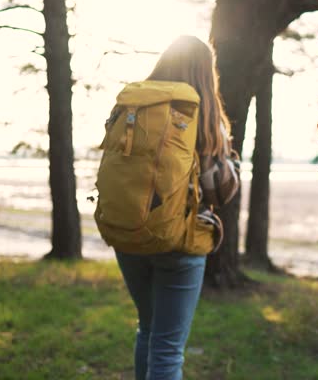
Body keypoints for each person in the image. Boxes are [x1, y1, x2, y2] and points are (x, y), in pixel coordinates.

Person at [96, 35, 238, 380]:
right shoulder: (203, 115)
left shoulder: (134, 105)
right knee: (168, 348)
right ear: (205, 72)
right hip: (180, 242)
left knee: (147, 329)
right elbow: (218, 190)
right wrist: (231, 160)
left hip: (129, 233)